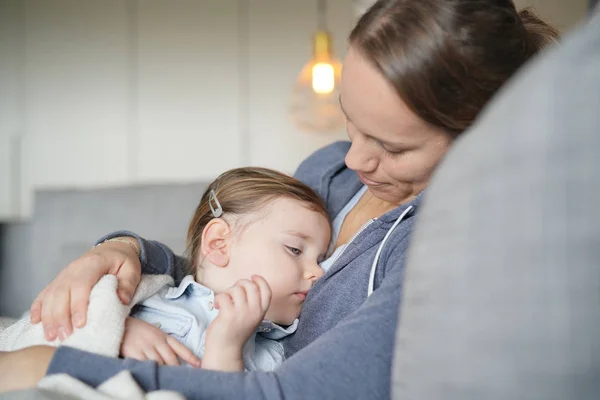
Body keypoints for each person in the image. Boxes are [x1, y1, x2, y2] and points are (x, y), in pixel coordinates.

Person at [0, 0, 559, 397]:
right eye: (350, 121)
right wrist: (122, 251)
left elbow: (290, 392)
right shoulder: (327, 170)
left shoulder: (441, 244)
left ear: (478, 140)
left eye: (390, 146)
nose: (355, 159)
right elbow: (217, 265)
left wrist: (50, 362)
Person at [126, 167, 329, 371]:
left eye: (321, 259)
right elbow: (98, 317)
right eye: (295, 249)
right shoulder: (143, 296)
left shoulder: (273, 361)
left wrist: (226, 350)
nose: (319, 273)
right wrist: (120, 331)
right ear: (218, 244)